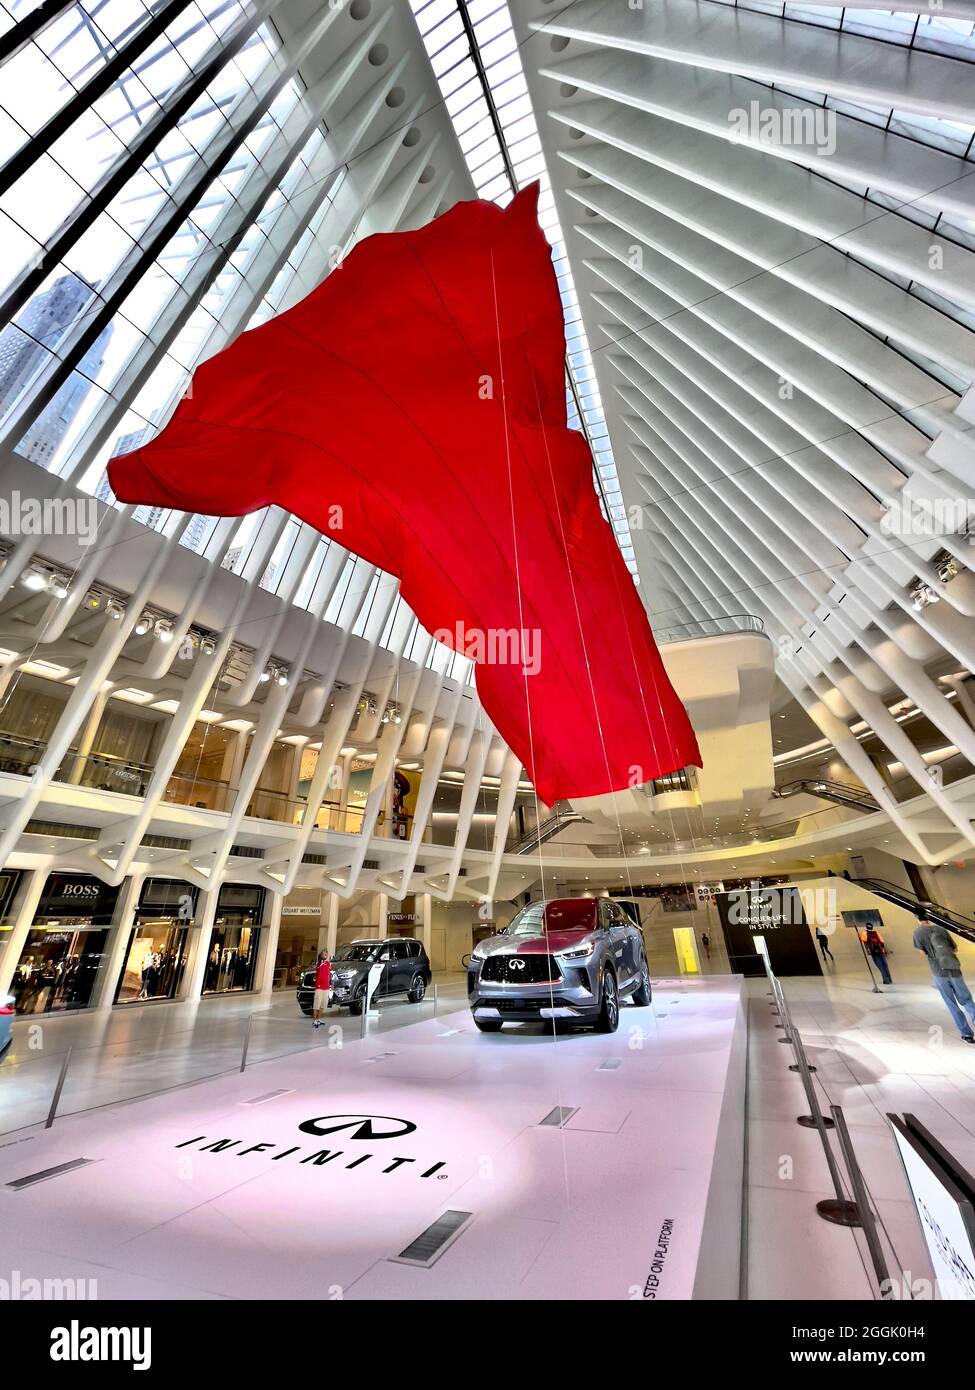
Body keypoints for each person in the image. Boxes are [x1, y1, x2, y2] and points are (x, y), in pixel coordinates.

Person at [913, 913, 975, 1043]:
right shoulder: (941, 929)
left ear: (917, 918)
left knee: (952, 1004)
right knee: (967, 1000)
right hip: (954, 969)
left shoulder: (918, 933)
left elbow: (922, 952)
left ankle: (967, 1034)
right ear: (928, 918)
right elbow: (955, 949)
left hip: (938, 972)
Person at [312, 951, 331, 1029]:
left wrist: (330, 984)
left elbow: (329, 974)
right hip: (319, 988)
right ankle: (314, 1021)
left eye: (326, 954)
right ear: (321, 955)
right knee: (317, 1005)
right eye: (324, 954)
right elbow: (318, 967)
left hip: (326, 988)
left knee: (323, 1005)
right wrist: (321, 961)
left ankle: (319, 1019)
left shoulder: (328, 964)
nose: (325, 955)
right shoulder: (319, 963)